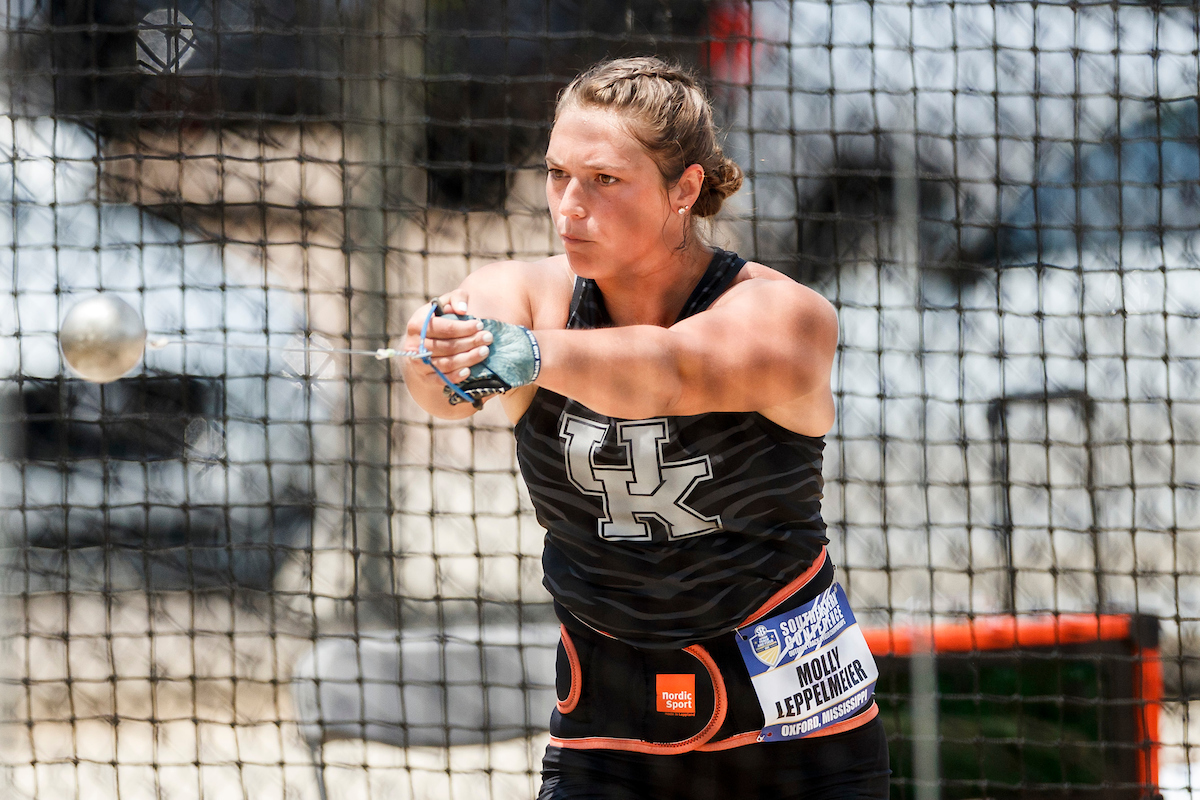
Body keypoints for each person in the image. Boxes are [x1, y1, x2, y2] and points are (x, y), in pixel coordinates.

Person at [402, 56, 889, 800]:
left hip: (794, 739)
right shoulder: (530, 293)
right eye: (557, 174)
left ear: (684, 189)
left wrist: (529, 354)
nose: (568, 206)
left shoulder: (784, 312)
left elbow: (670, 373)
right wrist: (443, 348)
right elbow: (443, 389)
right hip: (607, 730)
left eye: (603, 180)